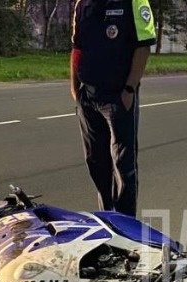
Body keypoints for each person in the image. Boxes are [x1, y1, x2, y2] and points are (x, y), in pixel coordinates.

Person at [71, 0, 157, 217]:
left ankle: (125, 223)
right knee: (96, 161)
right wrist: (75, 89)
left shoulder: (135, 2)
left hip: (118, 97)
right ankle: (106, 216)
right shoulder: (83, 4)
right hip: (88, 97)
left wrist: (129, 89)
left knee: (123, 165)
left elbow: (143, 47)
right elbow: (77, 47)